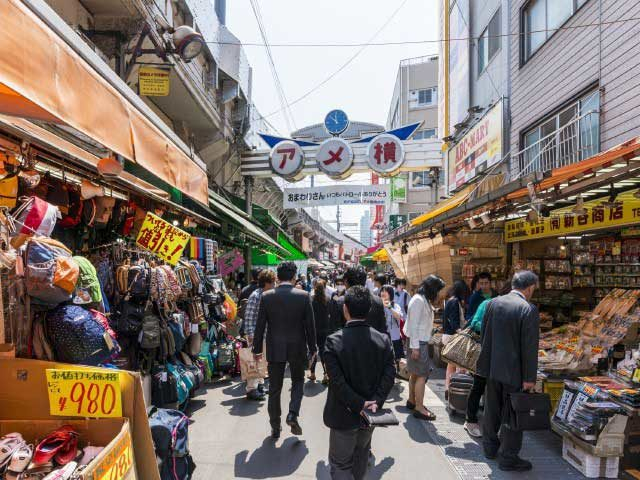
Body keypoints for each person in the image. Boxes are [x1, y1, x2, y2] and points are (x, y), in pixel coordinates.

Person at [323, 286, 396, 480]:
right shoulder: (383, 340)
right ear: (370, 309)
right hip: (371, 413)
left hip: (343, 413)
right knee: (361, 454)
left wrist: (358, 404)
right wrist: (375, 402)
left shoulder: (333, 341)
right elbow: (390, 374)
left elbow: (337, 382)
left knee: (340, 463)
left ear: (345, 309)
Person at [477, 271, 540, 472]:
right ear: (529, 287)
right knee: (513, 414)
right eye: (534, 289)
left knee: (492, 408)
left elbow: (484, 336)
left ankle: (489, 448)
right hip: (515, 371)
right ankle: (508, 457)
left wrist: (484, 365)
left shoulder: (493, 303)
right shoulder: (528, 309)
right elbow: (530, 347)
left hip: (492, 367)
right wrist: (530, 378)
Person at [252, 262, 317, 439]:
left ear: (278, 277)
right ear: (294, 276)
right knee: (297, 381)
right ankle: (292, 414)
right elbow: (310, 327)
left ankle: (275, 426)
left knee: (274, 388)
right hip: (297, 346)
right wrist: (313, 349)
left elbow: (260, 326)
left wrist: (257, 349)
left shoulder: (267, 296)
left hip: (275, 346)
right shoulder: (303, 296)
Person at [464, 280, 512, 438]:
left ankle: (497, 424)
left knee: (498, 390)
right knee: (478, 385)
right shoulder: (487, 304)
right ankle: (470, 419)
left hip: (504, 356)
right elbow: (474, 323)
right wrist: (492, 329)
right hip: (485, 351)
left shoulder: (515, 308)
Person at [404, 275, 445, 421]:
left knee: (415, 374)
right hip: (418, 343)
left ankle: (412, 400)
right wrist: (415, 347)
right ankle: (419, 407)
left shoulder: (422, 300)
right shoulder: (418, 300)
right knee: (422, 375)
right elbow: (414, 325)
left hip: (419, 342)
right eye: (438, 290)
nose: (439, 293)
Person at [242, 270, 276, 401]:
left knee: (261, 361)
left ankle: (260, 385)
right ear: (266, 282)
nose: (274, 284)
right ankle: (251, 389)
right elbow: (249, 317)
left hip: (264, 334)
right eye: (272, 282)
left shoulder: (266, 294)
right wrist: (250, 335)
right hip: (256, 334)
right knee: (253, 361)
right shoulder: (256, 295)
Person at [331, 267, 388, 335]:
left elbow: (335, 330)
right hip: (373, 343)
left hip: (347, 344)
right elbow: (382, 329)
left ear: (346, 281)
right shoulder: (377, 300)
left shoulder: (340, 301)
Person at [442, 280, 470, 395]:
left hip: (448, 336)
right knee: (458, 366)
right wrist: (462, 333)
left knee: (451, 365)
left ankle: (448, 388)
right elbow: (454, 323)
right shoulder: (454, 302)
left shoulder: (451, 300)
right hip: (453, 337)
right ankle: (452, 390)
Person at [310, 279, 330, 384]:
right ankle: (326, 374)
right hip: (325, 329)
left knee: (313, 351)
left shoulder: (312, 300)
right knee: (323, 352)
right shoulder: (327, 299)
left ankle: (312, 373)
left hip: (314, 329)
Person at [380, 285, 405, 368]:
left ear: (390, 293)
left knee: (397, 360)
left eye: (385, 291)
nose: (383, 293)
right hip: (382, 338)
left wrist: (389, 307)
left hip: (395, 338)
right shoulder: (378, 305)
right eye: (382, 291)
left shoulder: (395, 305)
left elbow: (399, 316)